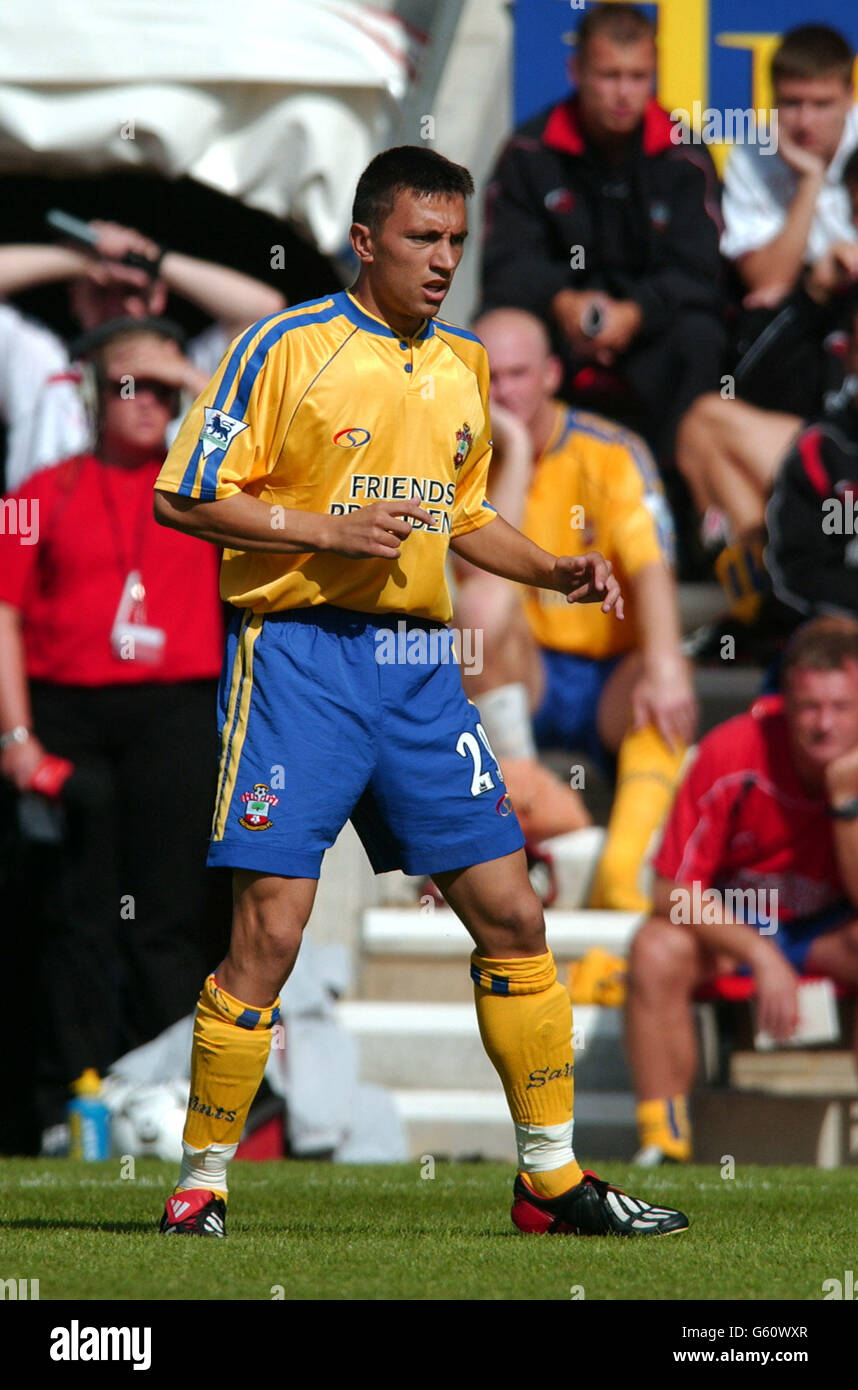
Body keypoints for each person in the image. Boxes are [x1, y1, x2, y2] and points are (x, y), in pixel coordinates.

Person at [153, 144, 688, 1238]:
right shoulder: (283, 346)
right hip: (297, 657)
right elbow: (188, 494)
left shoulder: (466, 362)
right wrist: (322, 528)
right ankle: (198, 1183)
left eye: (455, 239)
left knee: (513, 909)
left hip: (416, 670)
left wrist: (553, 569)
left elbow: (463, 512)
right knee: (271, 928)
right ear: (364, 241)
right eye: (421, 239)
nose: (444, 260)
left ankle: (549, 1180)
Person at [0, 320, 225, 1148]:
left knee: (167, 919)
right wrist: (16, 736)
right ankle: (68, 1100)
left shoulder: (204, 483)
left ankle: (167, 1100)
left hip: (173, 711)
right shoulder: (35, 492)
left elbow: (259, 440)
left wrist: (181, 376)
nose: (150, 401)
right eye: (129, 385)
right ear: (93, 395)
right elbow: (3, 614)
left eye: (164, 387)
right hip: (69, 716)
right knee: (73, 918)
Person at [455, 307, 695, 910]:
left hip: (609, 675)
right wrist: (507, 445)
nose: (504, 391)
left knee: (667, 668)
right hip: (524, 669)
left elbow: (651, 564)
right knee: (478, 616)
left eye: (518, 374)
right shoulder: (455, 456)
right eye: (491, 376)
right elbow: (477, 587)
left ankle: (626, 866)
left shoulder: (610, 450)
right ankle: (521, 809)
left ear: (552, 375)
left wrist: (665, 665)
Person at [625, 617, 858, 1165]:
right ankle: (665, 1140)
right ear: (786, 701)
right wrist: (759, 951)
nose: (823, 724)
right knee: (655, 948)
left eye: (842, 707)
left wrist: (845, 800)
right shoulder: (734, 750)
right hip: (736, 931)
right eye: (809, 707)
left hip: (826, 932)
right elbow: (670, 891)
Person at [480, 2, 724, 465]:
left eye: (637, 76)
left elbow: (703, 273)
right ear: (576, 71)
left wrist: (636, 313)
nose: (624, 93)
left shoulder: (684, 157)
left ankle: (679, 510)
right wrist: (562, 302)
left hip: (653, 336)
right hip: (557, 331)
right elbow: (504, 266)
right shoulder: (529, 153)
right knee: (502, 334)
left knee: (700, 336)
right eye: (609, 75)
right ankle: (500, 499)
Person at [0, 218, 286, 493]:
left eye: (132, 291)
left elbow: (266, 310)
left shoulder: (191, 368)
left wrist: (155, 261)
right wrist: (82, 257)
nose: (118, 308)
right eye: (102, 292)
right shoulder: (44, 368)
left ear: (159, 296)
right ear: (75, 297)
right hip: (38, 536)